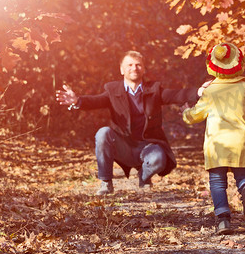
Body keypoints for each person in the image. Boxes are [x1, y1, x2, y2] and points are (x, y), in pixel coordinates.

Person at [56, 50, 210, 195]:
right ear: (122, 70)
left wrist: (199, 91)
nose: (134, 68)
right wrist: (77, 101)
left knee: (158, 158)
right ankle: (105, 183)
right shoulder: (112, 89)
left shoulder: (154, 89)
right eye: (129, 65)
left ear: (143, 69)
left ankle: (144, 177)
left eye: (138, 65)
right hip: (123, 145)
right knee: (103, 133)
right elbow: (95, 101)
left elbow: (176, 94)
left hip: (148, 146)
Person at [182, 42, 245, 235]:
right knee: (243, 175)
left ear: (212, 65)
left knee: (217, 182)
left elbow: (194, 116)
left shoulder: (210, 91)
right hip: (243, 143)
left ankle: (223, 219)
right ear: (239, 63)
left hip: (218, 145)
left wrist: (185, 112)